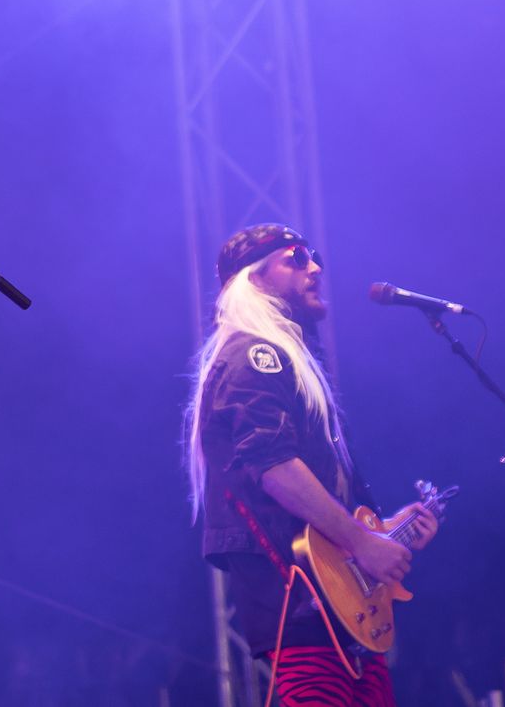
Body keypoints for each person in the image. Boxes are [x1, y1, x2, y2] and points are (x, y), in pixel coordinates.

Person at [186, 224, 439, 707]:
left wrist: (386, 532)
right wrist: (363, 542)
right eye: (297, 259)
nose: (316, 268)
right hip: (295, 586)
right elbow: (275, 468)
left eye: (314, 256)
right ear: (255, 279)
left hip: (335, 594)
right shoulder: (255, 355)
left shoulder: (288, 357)